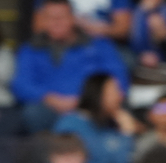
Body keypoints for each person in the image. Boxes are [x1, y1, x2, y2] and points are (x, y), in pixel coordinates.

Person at [12, 0, 129, 132]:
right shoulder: (30, 49)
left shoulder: (99, 45)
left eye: (61, 17)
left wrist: (86, 99)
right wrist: (49, 98)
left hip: (91, 107)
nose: (56, 22)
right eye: (50, 18)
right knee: (32, 113)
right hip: (49, 108)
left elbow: (118, 79)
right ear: (43, 21)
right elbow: (21, 84)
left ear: (73, 19)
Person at [53, 73, 141, 163]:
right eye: (114, 91)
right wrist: (127, 133)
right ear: (98, 95)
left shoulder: (112, 125)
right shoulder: (70, 124)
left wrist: (127, 133)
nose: (120, 96)